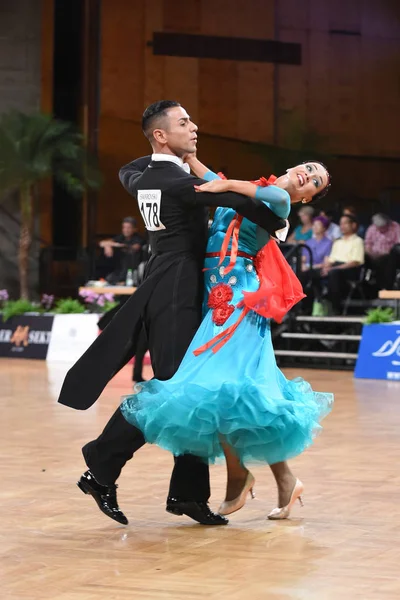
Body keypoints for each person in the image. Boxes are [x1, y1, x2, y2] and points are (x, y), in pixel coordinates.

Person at [58, 100, 286, 526]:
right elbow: (254, 210)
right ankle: (102, 465)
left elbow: (129, 168)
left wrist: (178, 160)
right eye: (184, 123)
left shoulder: (144, 175)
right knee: (176, 386)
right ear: (161, 135)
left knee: (190, 388)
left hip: (168, 280)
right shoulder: (177, 184)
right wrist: (279, 201)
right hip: (177, 288)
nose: (195, 127)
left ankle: (188, 494)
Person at [121, 157, 333, 520]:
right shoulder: (245, 187)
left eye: (314, 181)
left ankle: (244, 476)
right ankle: (275, 479)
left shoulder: (278, 201)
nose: (308, 175)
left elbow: (239, 188)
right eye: (309, 168)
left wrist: (225, 184)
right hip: (215, 298)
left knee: (226, 389)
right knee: (232, 393)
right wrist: (189, 158)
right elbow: (214, 181)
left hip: (238, 301)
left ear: (307, 198)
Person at [320, 214, 365, 314]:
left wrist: (334, 269)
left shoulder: (358, 241)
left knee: (334, 273)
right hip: (335, 267)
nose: (342, 226)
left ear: (353, 225)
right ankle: (309, 305)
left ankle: (336, 307)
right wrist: (326, 267)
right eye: (341, 224)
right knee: (312, 273)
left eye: (345, 223)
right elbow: (331, 260)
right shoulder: (337, 242)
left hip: (350, 269)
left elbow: (355, 262)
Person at [98, 217, 146, 284]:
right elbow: (101, 243)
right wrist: (108, 246)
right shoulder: (120, 238)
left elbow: (135, 247)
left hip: (133, 271)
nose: (126, 230)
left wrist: (117, 245)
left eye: (129, 228)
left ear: (135, 229)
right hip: (120, 271)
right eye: (124, 227)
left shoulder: (138, 239)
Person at [364, 213, 400, 290]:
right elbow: (367, 243)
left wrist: (385, 253)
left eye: (383, 227)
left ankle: (385, 287)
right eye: (378, 228)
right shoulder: (372, 228)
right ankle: (365, 287)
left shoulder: (395, 227)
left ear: (388, 223)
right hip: (373, 255)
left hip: (388, 255)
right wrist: (370, 253)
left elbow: (398, 245)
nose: (380, 230)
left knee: (388, 259)